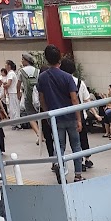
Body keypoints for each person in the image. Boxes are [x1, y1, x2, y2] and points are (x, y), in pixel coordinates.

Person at [37, 44, 83, 183]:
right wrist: (79, 119)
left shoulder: (43, 77)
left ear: (46, 59)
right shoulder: (67, 77)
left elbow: (42, 99)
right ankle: (78, 175)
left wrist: (47, 114)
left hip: (55, 118)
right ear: (60, 58)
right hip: (70, 115)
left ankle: (59, 166)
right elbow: (74, 99)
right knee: (76, 145)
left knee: (60, 146)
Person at [60, 57, 93, 170]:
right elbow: (87, 99)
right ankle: (87, 159)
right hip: (81, 115)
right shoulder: (80, 82)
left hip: (66, 116)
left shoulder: (61, 82)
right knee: (83, 139)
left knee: (71, 142)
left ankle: (77, 164)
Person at [16, 52, 40, 142]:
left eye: (23, 59)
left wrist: (18, 94)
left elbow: (18, 84)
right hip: (37, 96)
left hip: (28, 97)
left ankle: (38, 134)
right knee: (40, 116)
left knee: (31, 117)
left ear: (26, 61)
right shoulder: (37, 70)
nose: (22, 61)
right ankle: (43, 133)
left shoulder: (21, 71)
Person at [4, 59, 20, 126]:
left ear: (9, 66)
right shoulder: (12, 73)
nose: (5, 65)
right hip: (13, 92)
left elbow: (9, 84)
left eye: (6, 64)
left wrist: (4, 85)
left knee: (13, 108)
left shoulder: (10, 73)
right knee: (15, 107)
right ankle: (16, 122)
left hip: (13, 92)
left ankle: (15, 123)